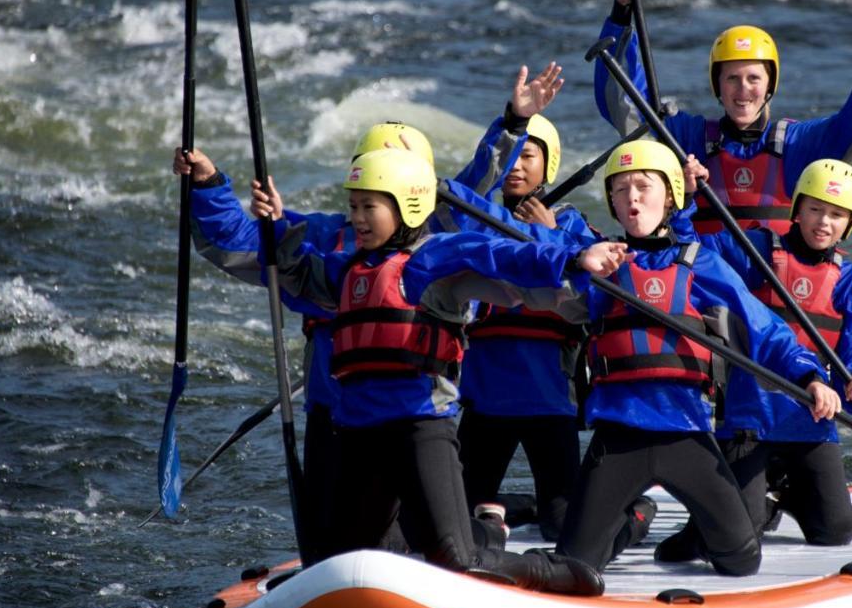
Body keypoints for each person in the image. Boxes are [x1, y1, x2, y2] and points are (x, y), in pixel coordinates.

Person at [173, 63, 563, 565]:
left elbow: (476, 184)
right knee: (329, 550)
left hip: (410, 410)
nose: (366, 209)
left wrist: (512, 122)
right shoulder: (323, 239)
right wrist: (209, 185)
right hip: (334, 412)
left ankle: (486, 533)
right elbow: (244, 245)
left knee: (421, 541)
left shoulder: (438, 237)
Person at [260, 146, 629, 594]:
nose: (356, 218)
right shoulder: (346, 270)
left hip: (419, 432)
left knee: (457, 559)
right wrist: (273, 223)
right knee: (344, 563)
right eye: (353, 206)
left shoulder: (434, 260)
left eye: (369, 207)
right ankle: (472, 538)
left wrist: (573, 259)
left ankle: (554, 571)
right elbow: (293, 270)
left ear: (407, 206)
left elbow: (504, 257)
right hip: (358, 437)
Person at [547, 140, 839, 575]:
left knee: (741, 561)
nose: (632, 198)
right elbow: (536, 250)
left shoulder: (700, 264)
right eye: (621, 189)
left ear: (671, 196)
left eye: (644, 187)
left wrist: (811, 376)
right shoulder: (597, 261)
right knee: (576, 562)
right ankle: (632, 525)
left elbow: (765, 329)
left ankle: (701, 523)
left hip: (687, 433)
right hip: (619, 435)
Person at [657, 158, 852, 560]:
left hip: (809, 419)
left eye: (836, 215)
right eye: (814, 209)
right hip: (752, 417)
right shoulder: (756, 251)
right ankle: (748, 501)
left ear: (849, 224)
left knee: (835, 531)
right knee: (742, 533)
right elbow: (691, 253)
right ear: (796, 210)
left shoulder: (849, 280)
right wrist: (687, 199)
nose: (823, 222)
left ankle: (780, 493)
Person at [594, 0, 852, 236]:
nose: (743, 89)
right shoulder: (686, 139)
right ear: (717, 85)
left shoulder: (799, 144)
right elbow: (624, 102)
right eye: (732, 78)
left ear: (770, 85)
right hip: (706, 287)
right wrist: (623, 9)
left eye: (754, 78)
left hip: (774, 290)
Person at [459, 112, 600, 539]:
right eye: (513, 155)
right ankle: (498, 511)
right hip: (486, 399)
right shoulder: (477, 218)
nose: (517, 164)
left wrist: (549, 234)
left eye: (530, 155)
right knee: (453, 519)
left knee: (562, 527)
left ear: (548, 165)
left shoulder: (572, 225)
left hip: (549, 401)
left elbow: (594, 290)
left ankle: (635, 508)